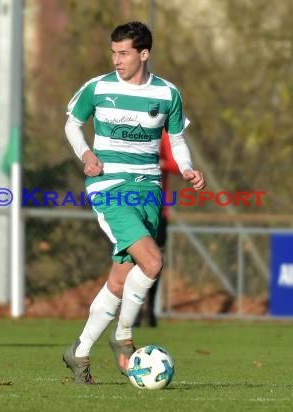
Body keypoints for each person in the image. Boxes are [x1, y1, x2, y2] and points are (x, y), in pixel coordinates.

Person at [62, 21, 205, 385]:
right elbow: (72, 125)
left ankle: (78, 353)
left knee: (121, 278)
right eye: (113, 52)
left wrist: (187, 168)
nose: (117, 60)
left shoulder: (168, 93)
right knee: (153, 262)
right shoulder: (98, 87)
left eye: (124, 53)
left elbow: (177, 140)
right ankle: (123, 335)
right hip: (110, 187)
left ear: (144, 54)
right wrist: (86, 155)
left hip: (149, 190)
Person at [135, 130, 180, 328]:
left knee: (155, 260)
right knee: (133, 258)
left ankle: (150, 308)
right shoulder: (126, 127)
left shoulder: (162, 134)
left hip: (158, 209)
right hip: (130, 206)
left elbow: (176, 163)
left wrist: (157, 163)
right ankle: (134, 309)